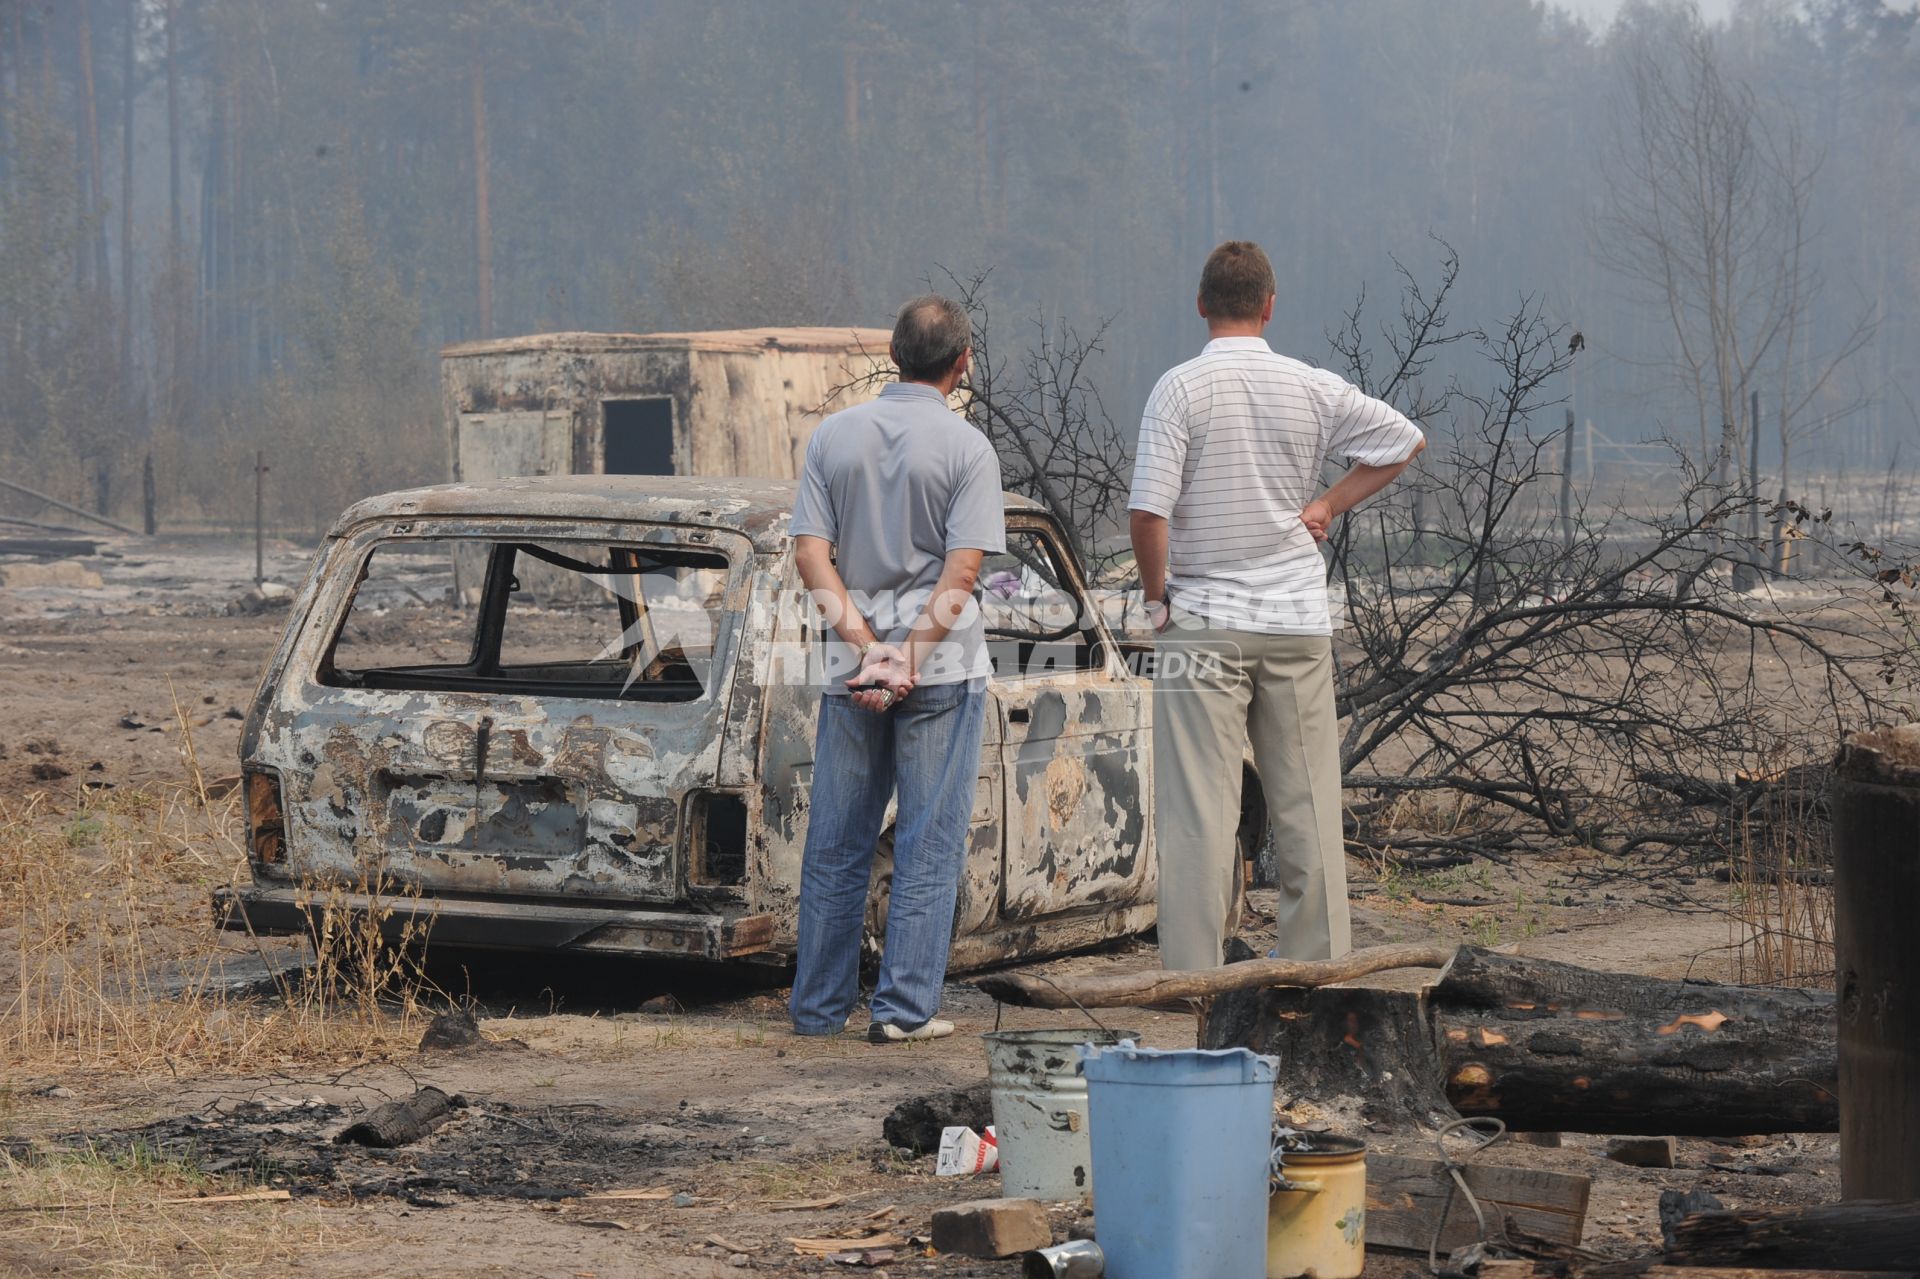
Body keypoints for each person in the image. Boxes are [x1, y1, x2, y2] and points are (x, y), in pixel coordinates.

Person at [1128, 241, 1425, 970]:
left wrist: (1158, 600)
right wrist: (1328, 502)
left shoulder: (1179, 390)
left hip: (1205, 622)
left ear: (1201, 305)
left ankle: (1194, 983)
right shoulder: (1308, 386)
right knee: (1310, 809)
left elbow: (1147, 513)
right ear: (1269, 305)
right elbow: (1402, 439)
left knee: (1201, 810)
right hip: (1295, 621)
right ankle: (1313, 978)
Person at [787, 294, 1005, 1042]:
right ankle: (904, 1011)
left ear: (894, 353)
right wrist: (908, 658)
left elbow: (811, 554)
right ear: (962, 362)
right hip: (940, 672)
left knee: (837, 837)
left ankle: (817, 1009)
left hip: (850, 671)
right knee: (927, 838)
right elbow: (962, 570)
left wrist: (864, 645)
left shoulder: (832, 438)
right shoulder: (967, 448)